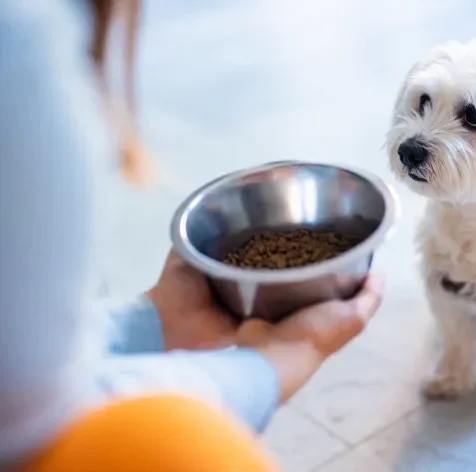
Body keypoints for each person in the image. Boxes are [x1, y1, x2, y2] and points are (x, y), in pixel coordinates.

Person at [0, 0, 384, 469]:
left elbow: (21, 374)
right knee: (186, 444)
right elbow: (31, 426)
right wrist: (275, 364)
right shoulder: (18, 41)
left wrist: (154, 319)